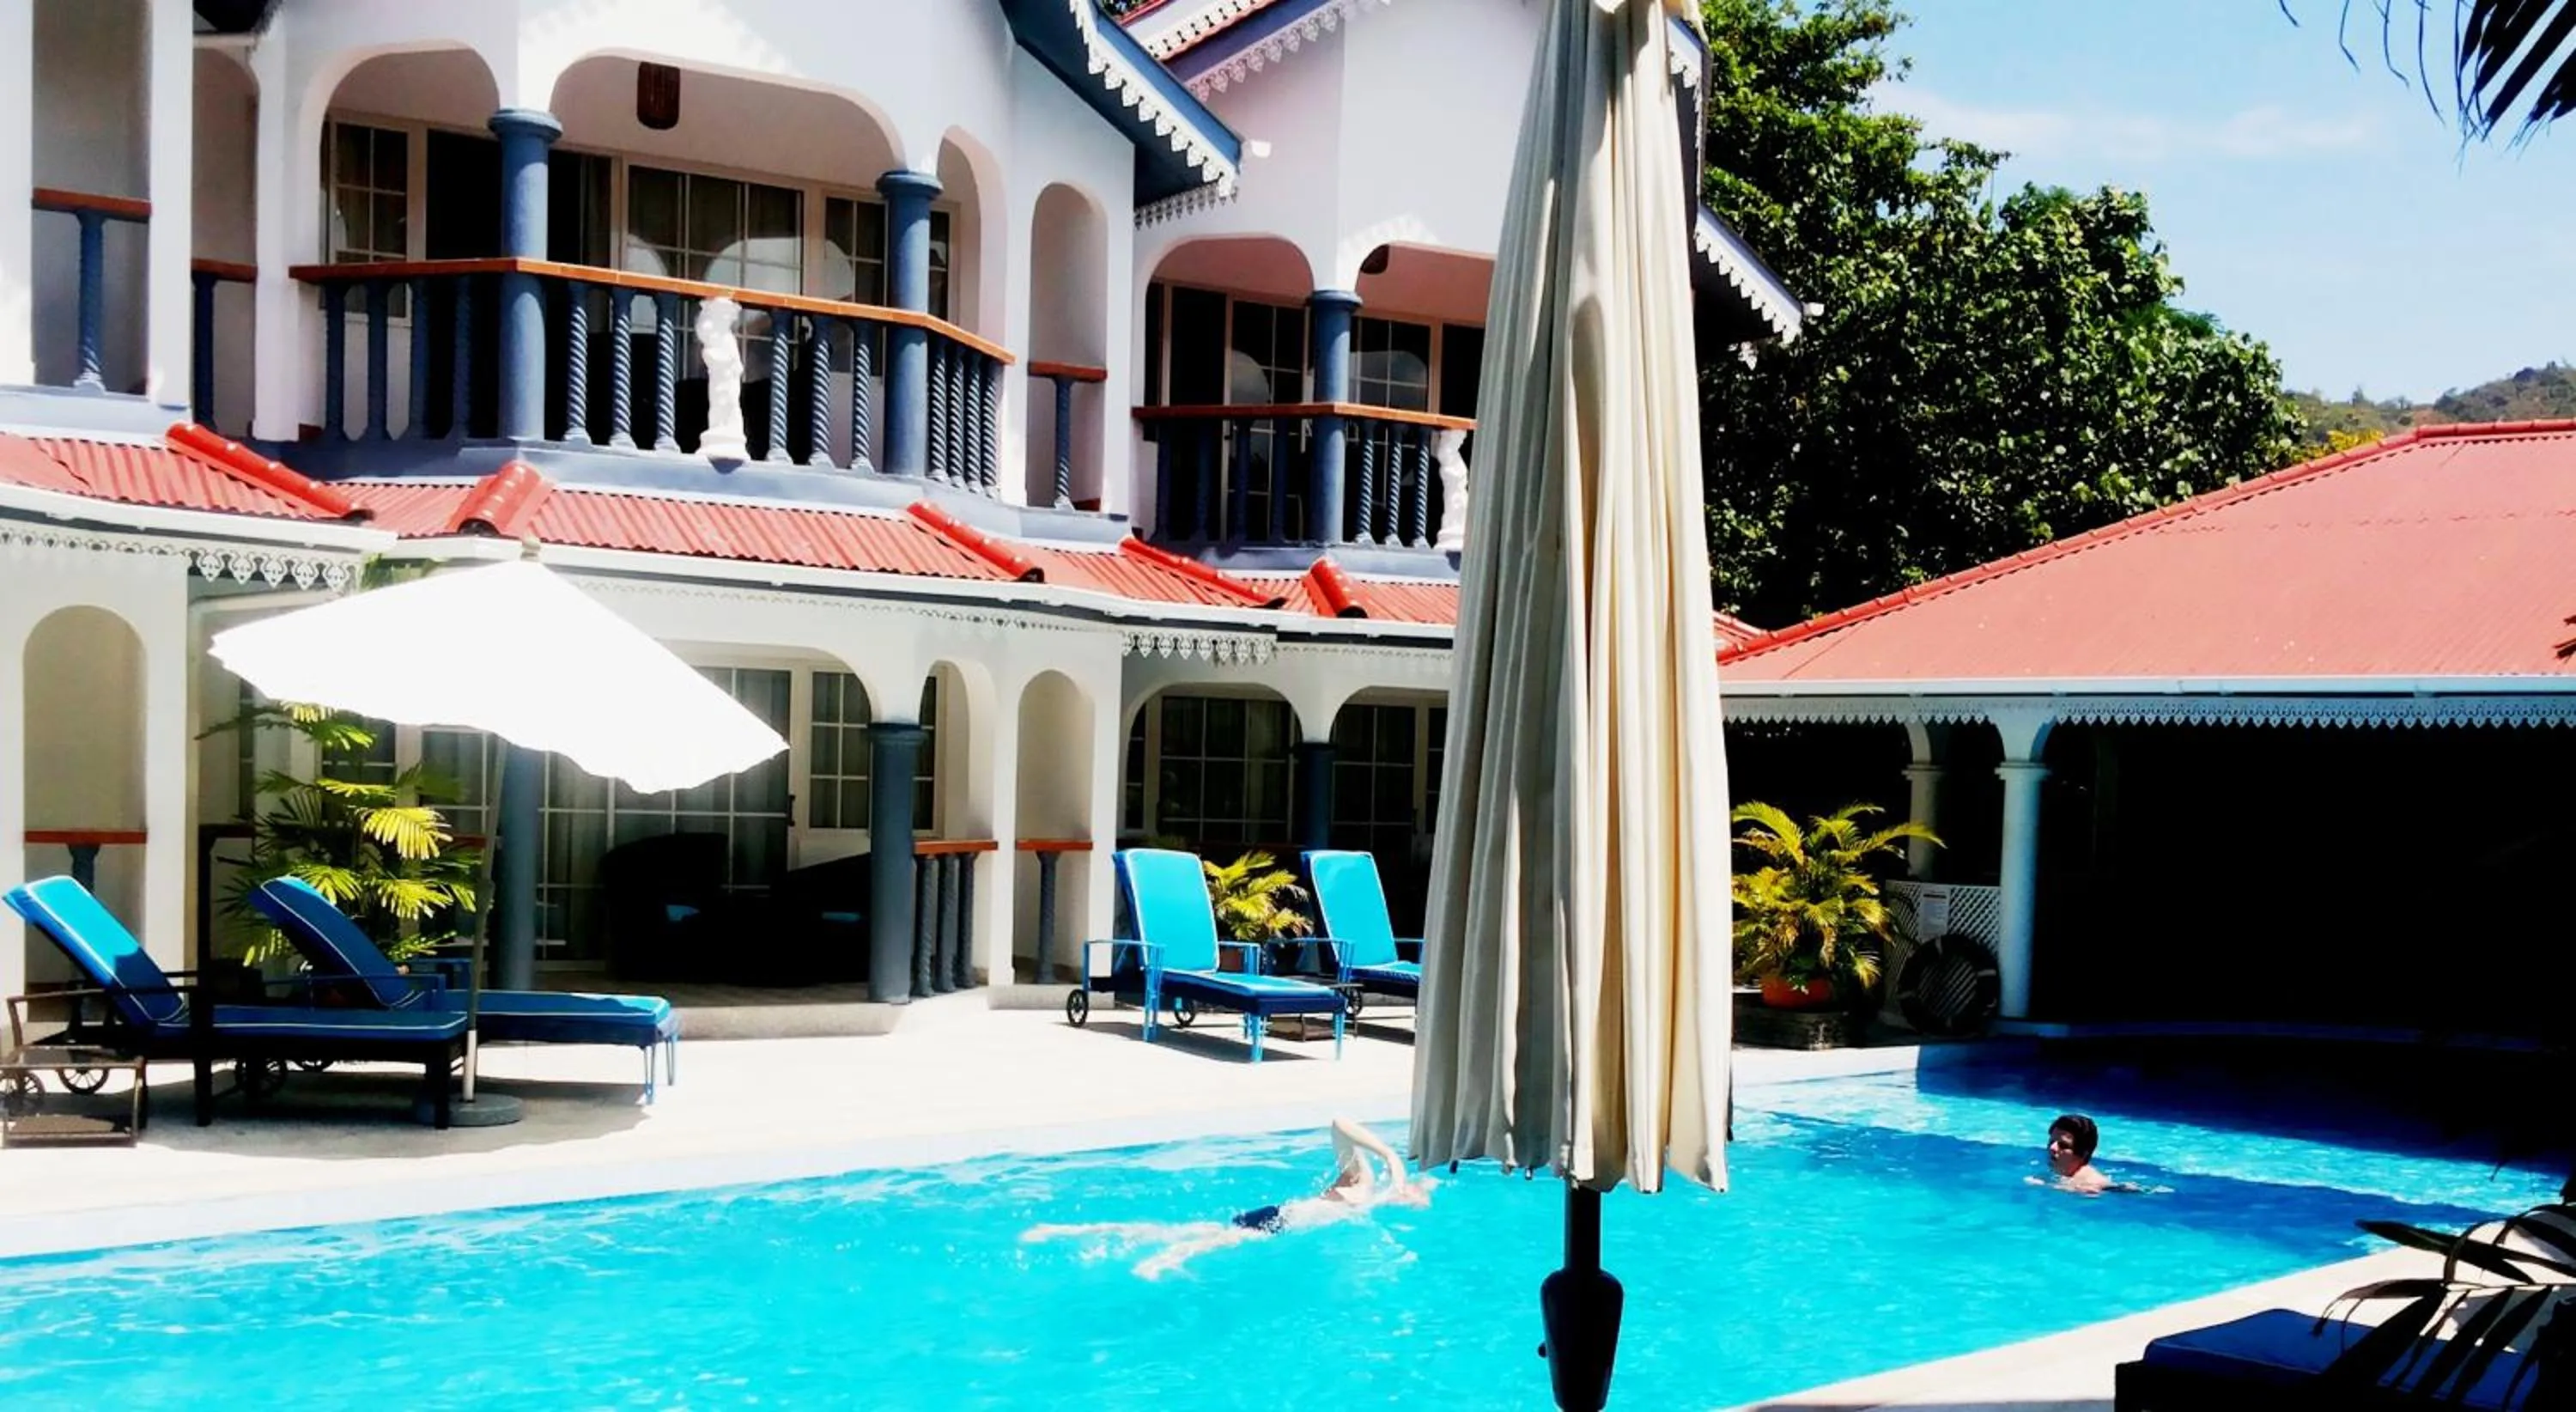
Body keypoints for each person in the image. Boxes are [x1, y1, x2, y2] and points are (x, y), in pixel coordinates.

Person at [1023, 1117, 1431, 1278]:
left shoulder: (1373, 1203)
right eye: (1415, 1194)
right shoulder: (1361, 1181)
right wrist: (1393, 1158)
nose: (1412, 1198)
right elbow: (1339, 1123)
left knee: (1167, 1230)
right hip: (1279, 1220)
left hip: (1278, 1220)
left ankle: (1061, 1229)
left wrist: (1402, 1192)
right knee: (1200, 1242)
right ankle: (1165, 1262)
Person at [2040, 1112, 2120, 1194]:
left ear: (2083, 1153)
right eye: (2051, 1142)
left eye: (2063, 1145)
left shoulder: (2091, 1186)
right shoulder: (2064, 1178)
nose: (2052, 1148)